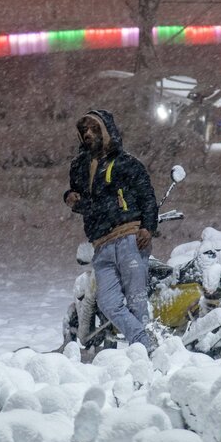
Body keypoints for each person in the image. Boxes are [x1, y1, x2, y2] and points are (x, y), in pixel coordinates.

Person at [64, 109, 158, 353]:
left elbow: (147, 196)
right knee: (108, 302)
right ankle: (146, 343)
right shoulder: (79, 166)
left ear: (106, 131)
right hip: (101, 244)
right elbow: (79, 196)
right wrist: (69, 197)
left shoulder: (127, 163)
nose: (88, 134)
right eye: (84, 130)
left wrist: (148, 227)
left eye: (94, 129)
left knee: (137, 301)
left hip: (130, 237)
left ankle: (145, 354)